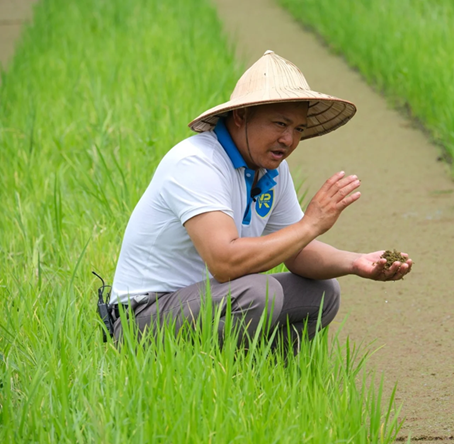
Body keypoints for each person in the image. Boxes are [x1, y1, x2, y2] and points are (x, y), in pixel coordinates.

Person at [109, 50, 412, 348]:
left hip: (203, 302)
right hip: (142, 318)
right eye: (280, 124)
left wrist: (355, 262)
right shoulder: (197, 162)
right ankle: (218, 376)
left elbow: (296, 252)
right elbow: (224, 262)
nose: (289, 140)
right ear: (241, 116)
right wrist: (312, 223)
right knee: (259, 292)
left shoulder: (271, 170)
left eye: (298, 128)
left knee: (322, 293)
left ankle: (260, 377)